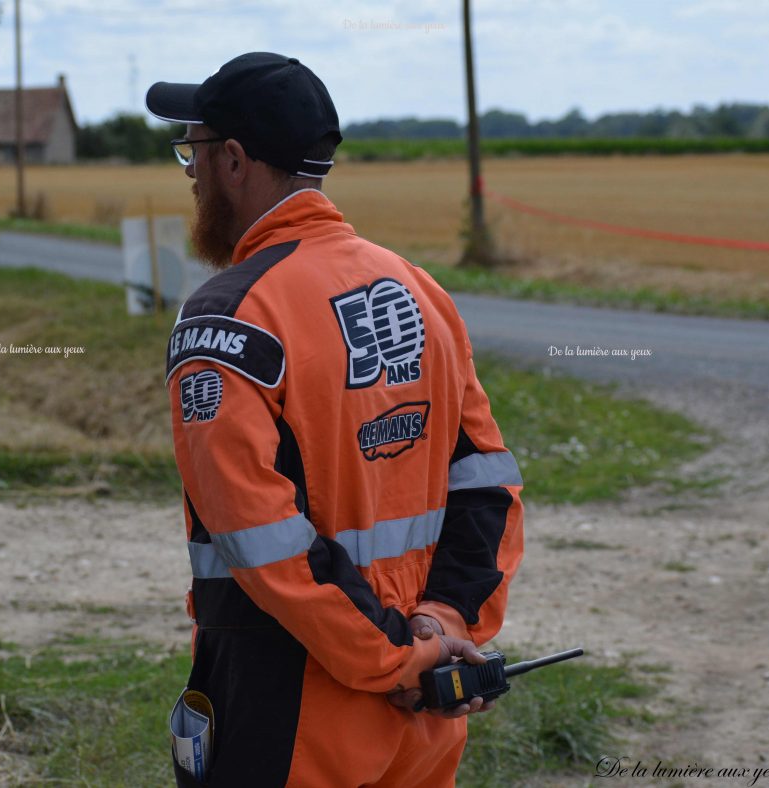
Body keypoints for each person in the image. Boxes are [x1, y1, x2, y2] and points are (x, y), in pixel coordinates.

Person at [147, 52, 524, 788]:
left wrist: (393, 658)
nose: (189, 175)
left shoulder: (230, 316)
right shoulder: (419, 290)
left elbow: (260, 537)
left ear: (233, 160)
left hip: (292, 700)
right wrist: (443, 625)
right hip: (424, 712)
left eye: (192, 152)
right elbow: (486, 484)